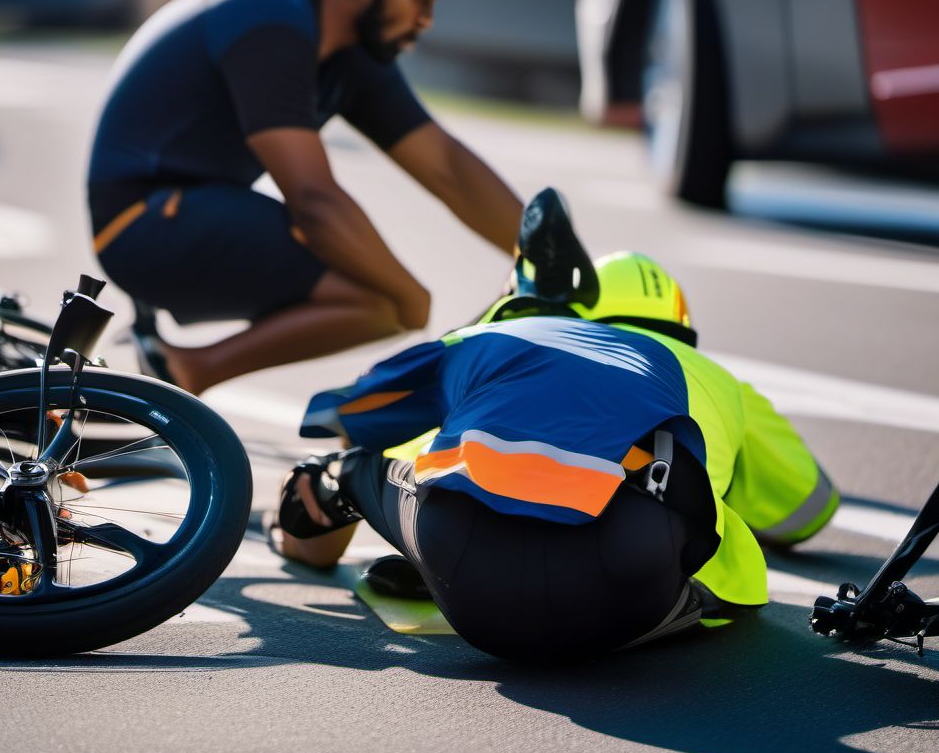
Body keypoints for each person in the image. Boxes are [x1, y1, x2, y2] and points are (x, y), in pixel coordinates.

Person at [271, 188, 839, 661]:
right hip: (635, 584)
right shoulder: (715, 380)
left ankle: (300, 534)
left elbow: (349, 415)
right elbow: (805, 510)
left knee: (357, 469)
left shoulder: (507, 342)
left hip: (469, 577)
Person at [87, 0, 522, 394]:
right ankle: (179, 372)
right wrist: (413, 295)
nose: (425, 20)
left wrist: (543, 255)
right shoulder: (271, 18)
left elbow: (447, 166)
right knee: (384, 295)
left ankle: (184, 370)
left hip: (192, 212)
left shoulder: (350, 55)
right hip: (141, 222)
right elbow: (314, 201)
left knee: (380, 305)